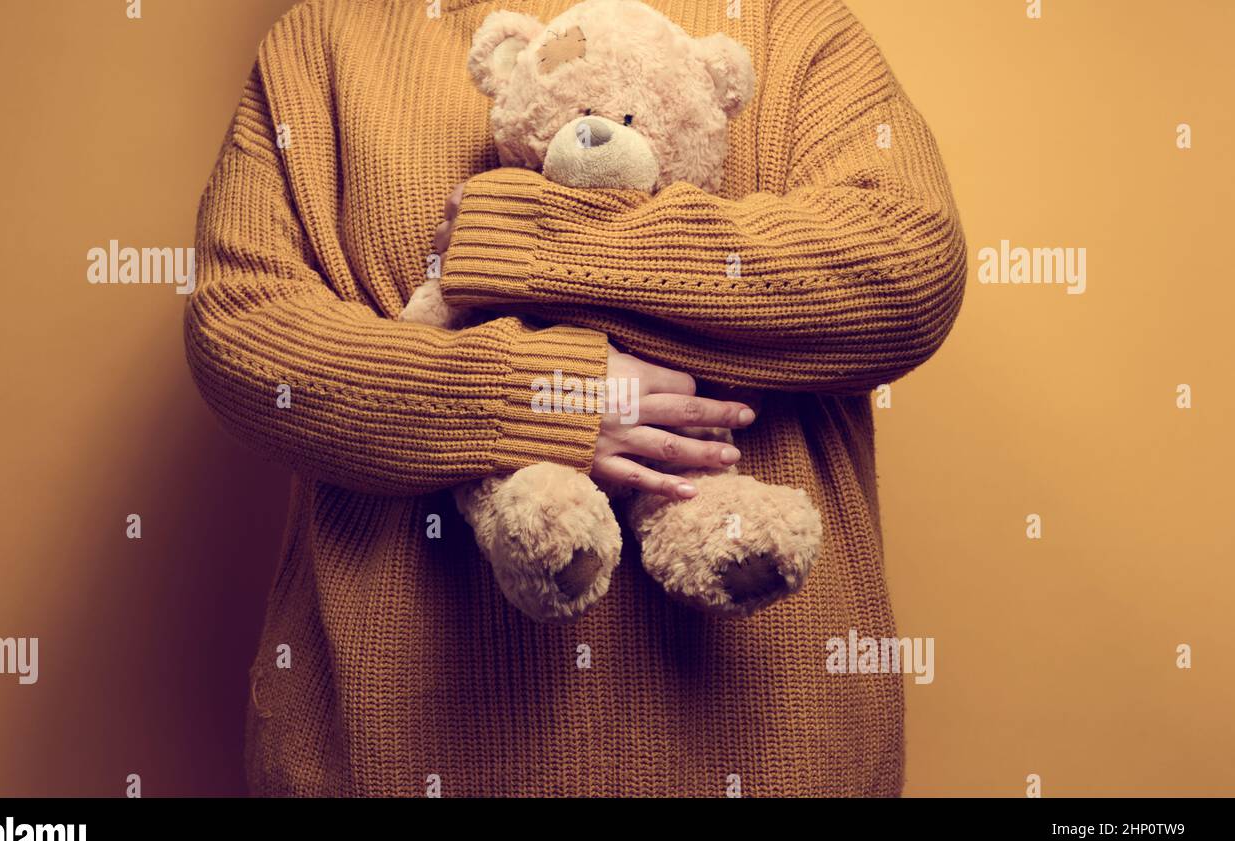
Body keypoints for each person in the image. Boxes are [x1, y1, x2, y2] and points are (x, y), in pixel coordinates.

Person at [185, 0, 965, 796]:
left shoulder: (786, 24)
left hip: (770, 746)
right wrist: (544, 396)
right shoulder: (326, 39)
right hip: (392, 743)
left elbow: (910, 269)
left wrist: (530, 239)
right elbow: (241, 334)